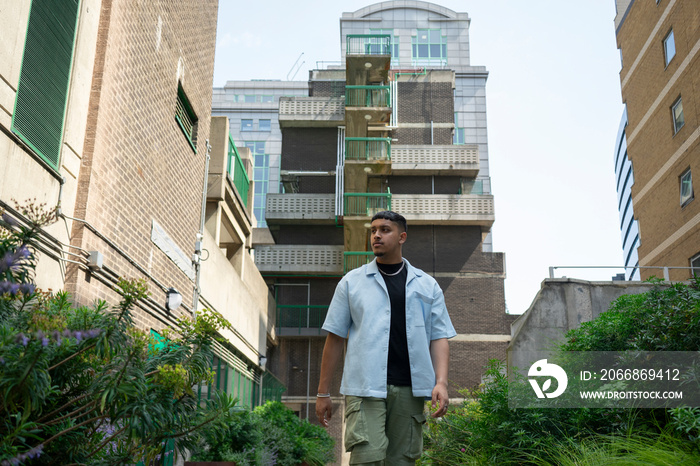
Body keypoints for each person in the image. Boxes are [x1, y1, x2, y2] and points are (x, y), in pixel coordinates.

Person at [315, 210, 456, 465]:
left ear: (402, 237)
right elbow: (335, 337)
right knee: (366, 459)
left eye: (385, 230)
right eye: (373, 230)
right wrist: (322, 392)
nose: (376, 235)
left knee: (402, 461)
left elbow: (439, 337)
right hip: (365, 387)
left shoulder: (427, 285)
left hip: (410, 389)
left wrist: (442, 382)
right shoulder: (352, 283)